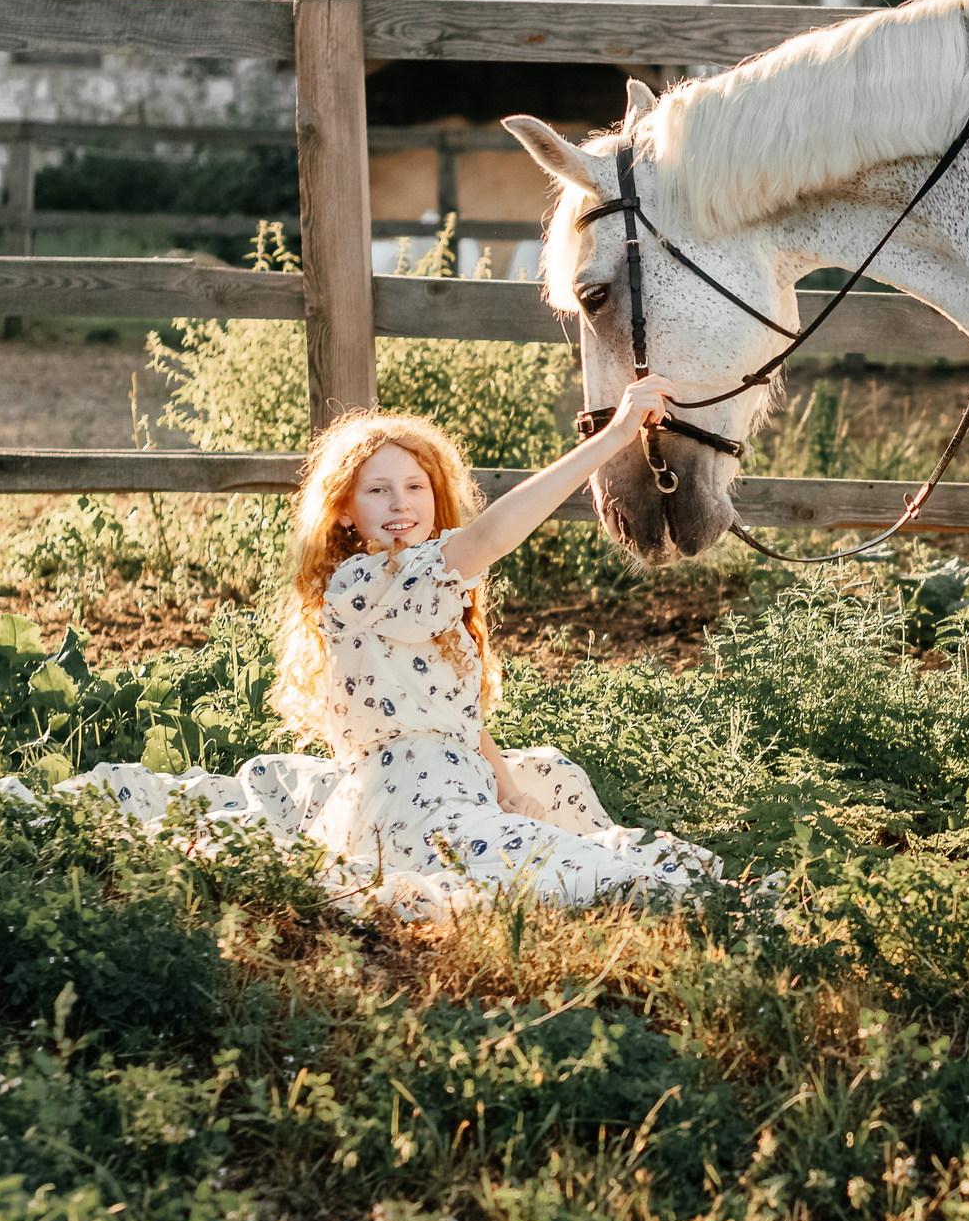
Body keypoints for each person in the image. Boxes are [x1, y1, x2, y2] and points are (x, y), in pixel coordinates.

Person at [44, 378, 723, 921]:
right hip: (405, 798)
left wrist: (509, 786)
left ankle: (537, 834)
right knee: (590, 871)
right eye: (377, 490)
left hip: (458, 774)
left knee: (551, 777)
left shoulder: (430, 577)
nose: (400, 504)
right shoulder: (363, 581)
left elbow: (460, 718)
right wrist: (609, 439)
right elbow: (492, 534)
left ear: (434, 496)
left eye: (414, 487)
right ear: (345, 509)